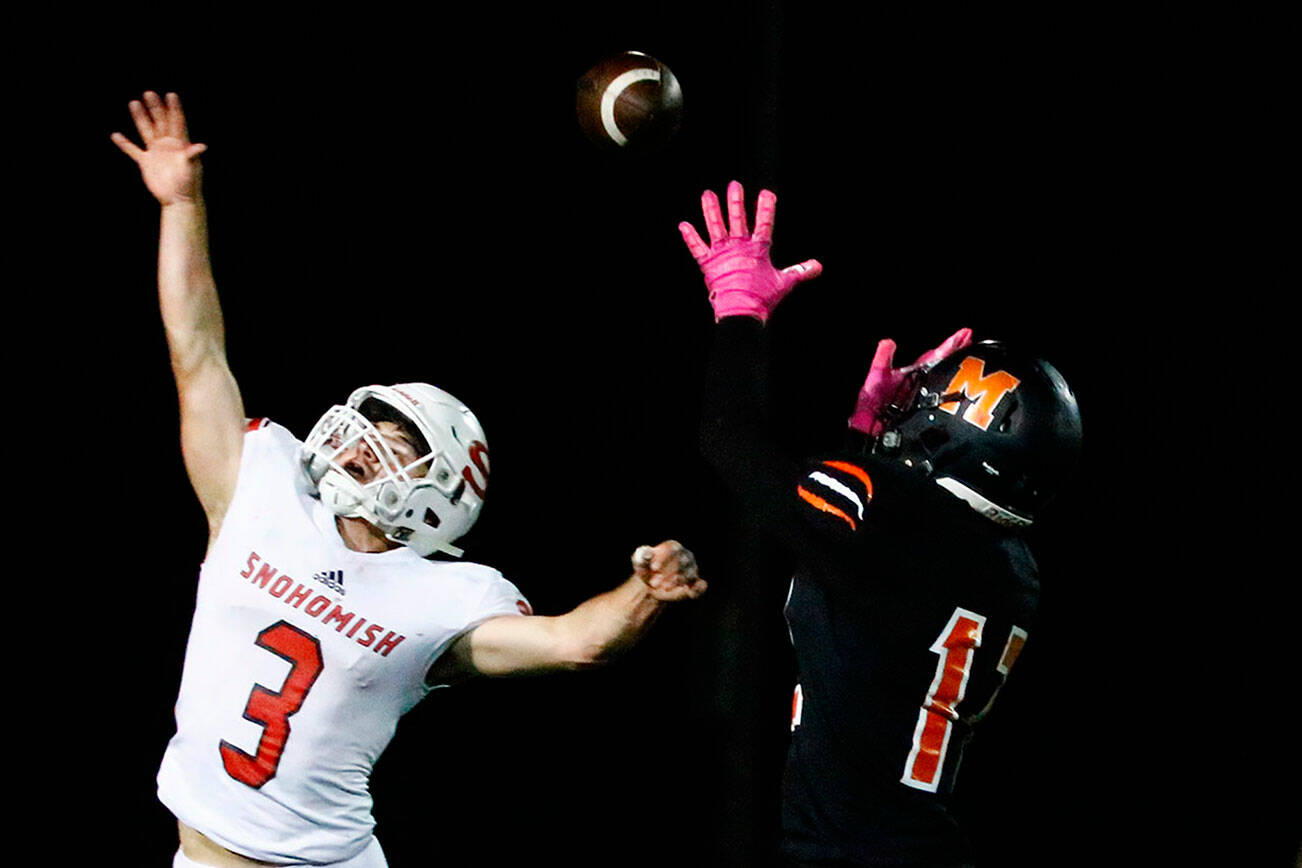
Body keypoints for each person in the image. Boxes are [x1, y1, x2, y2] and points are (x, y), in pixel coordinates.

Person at [112, 91, 706, 868]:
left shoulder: (443, 599)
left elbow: (577, 642)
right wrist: (180, 205)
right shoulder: (257, 489)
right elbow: (196, 349)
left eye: (397, 441)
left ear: (440, 494)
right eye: (376, 425)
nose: (366, 441)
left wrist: (646, 592)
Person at [679, 181, 1082, 867]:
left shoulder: (894, 516)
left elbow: (730, 441)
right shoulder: (1012, 567)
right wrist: (863, 441)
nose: (914, 406)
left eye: (931, 401)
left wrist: (739, 312)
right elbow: (865, 571)